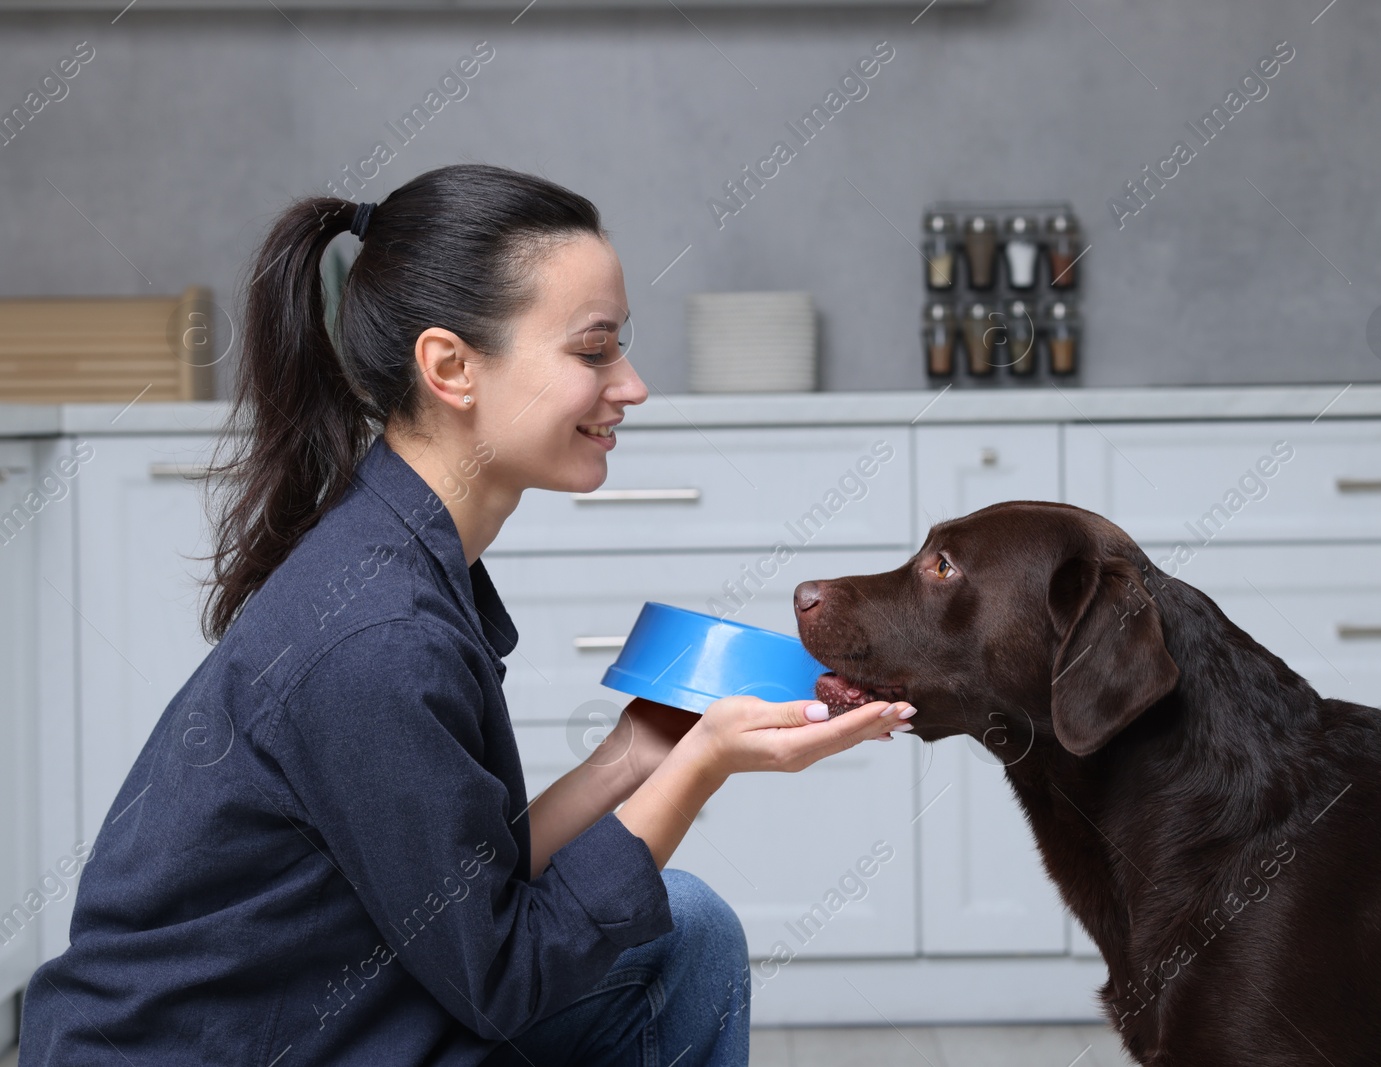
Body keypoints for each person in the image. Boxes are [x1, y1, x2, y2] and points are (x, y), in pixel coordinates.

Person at [17, 163, 916, 1066]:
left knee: (684, 931)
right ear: (451, 367)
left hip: (328, 1008)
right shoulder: (381, 635)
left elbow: (459, 893)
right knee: (679, 928)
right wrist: (707, 763)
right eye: (594, 350)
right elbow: (504, 975)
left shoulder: (394, 560)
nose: (633, 385)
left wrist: (633, 757)